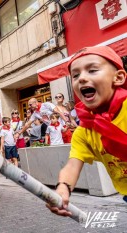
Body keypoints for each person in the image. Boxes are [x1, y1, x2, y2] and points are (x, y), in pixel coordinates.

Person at [46, 46, 127, 217]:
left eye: (92, 70)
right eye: (75, 75)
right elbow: (72, 166)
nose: (82, 78)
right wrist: (63, 188)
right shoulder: (84, 131)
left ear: (118, 77)